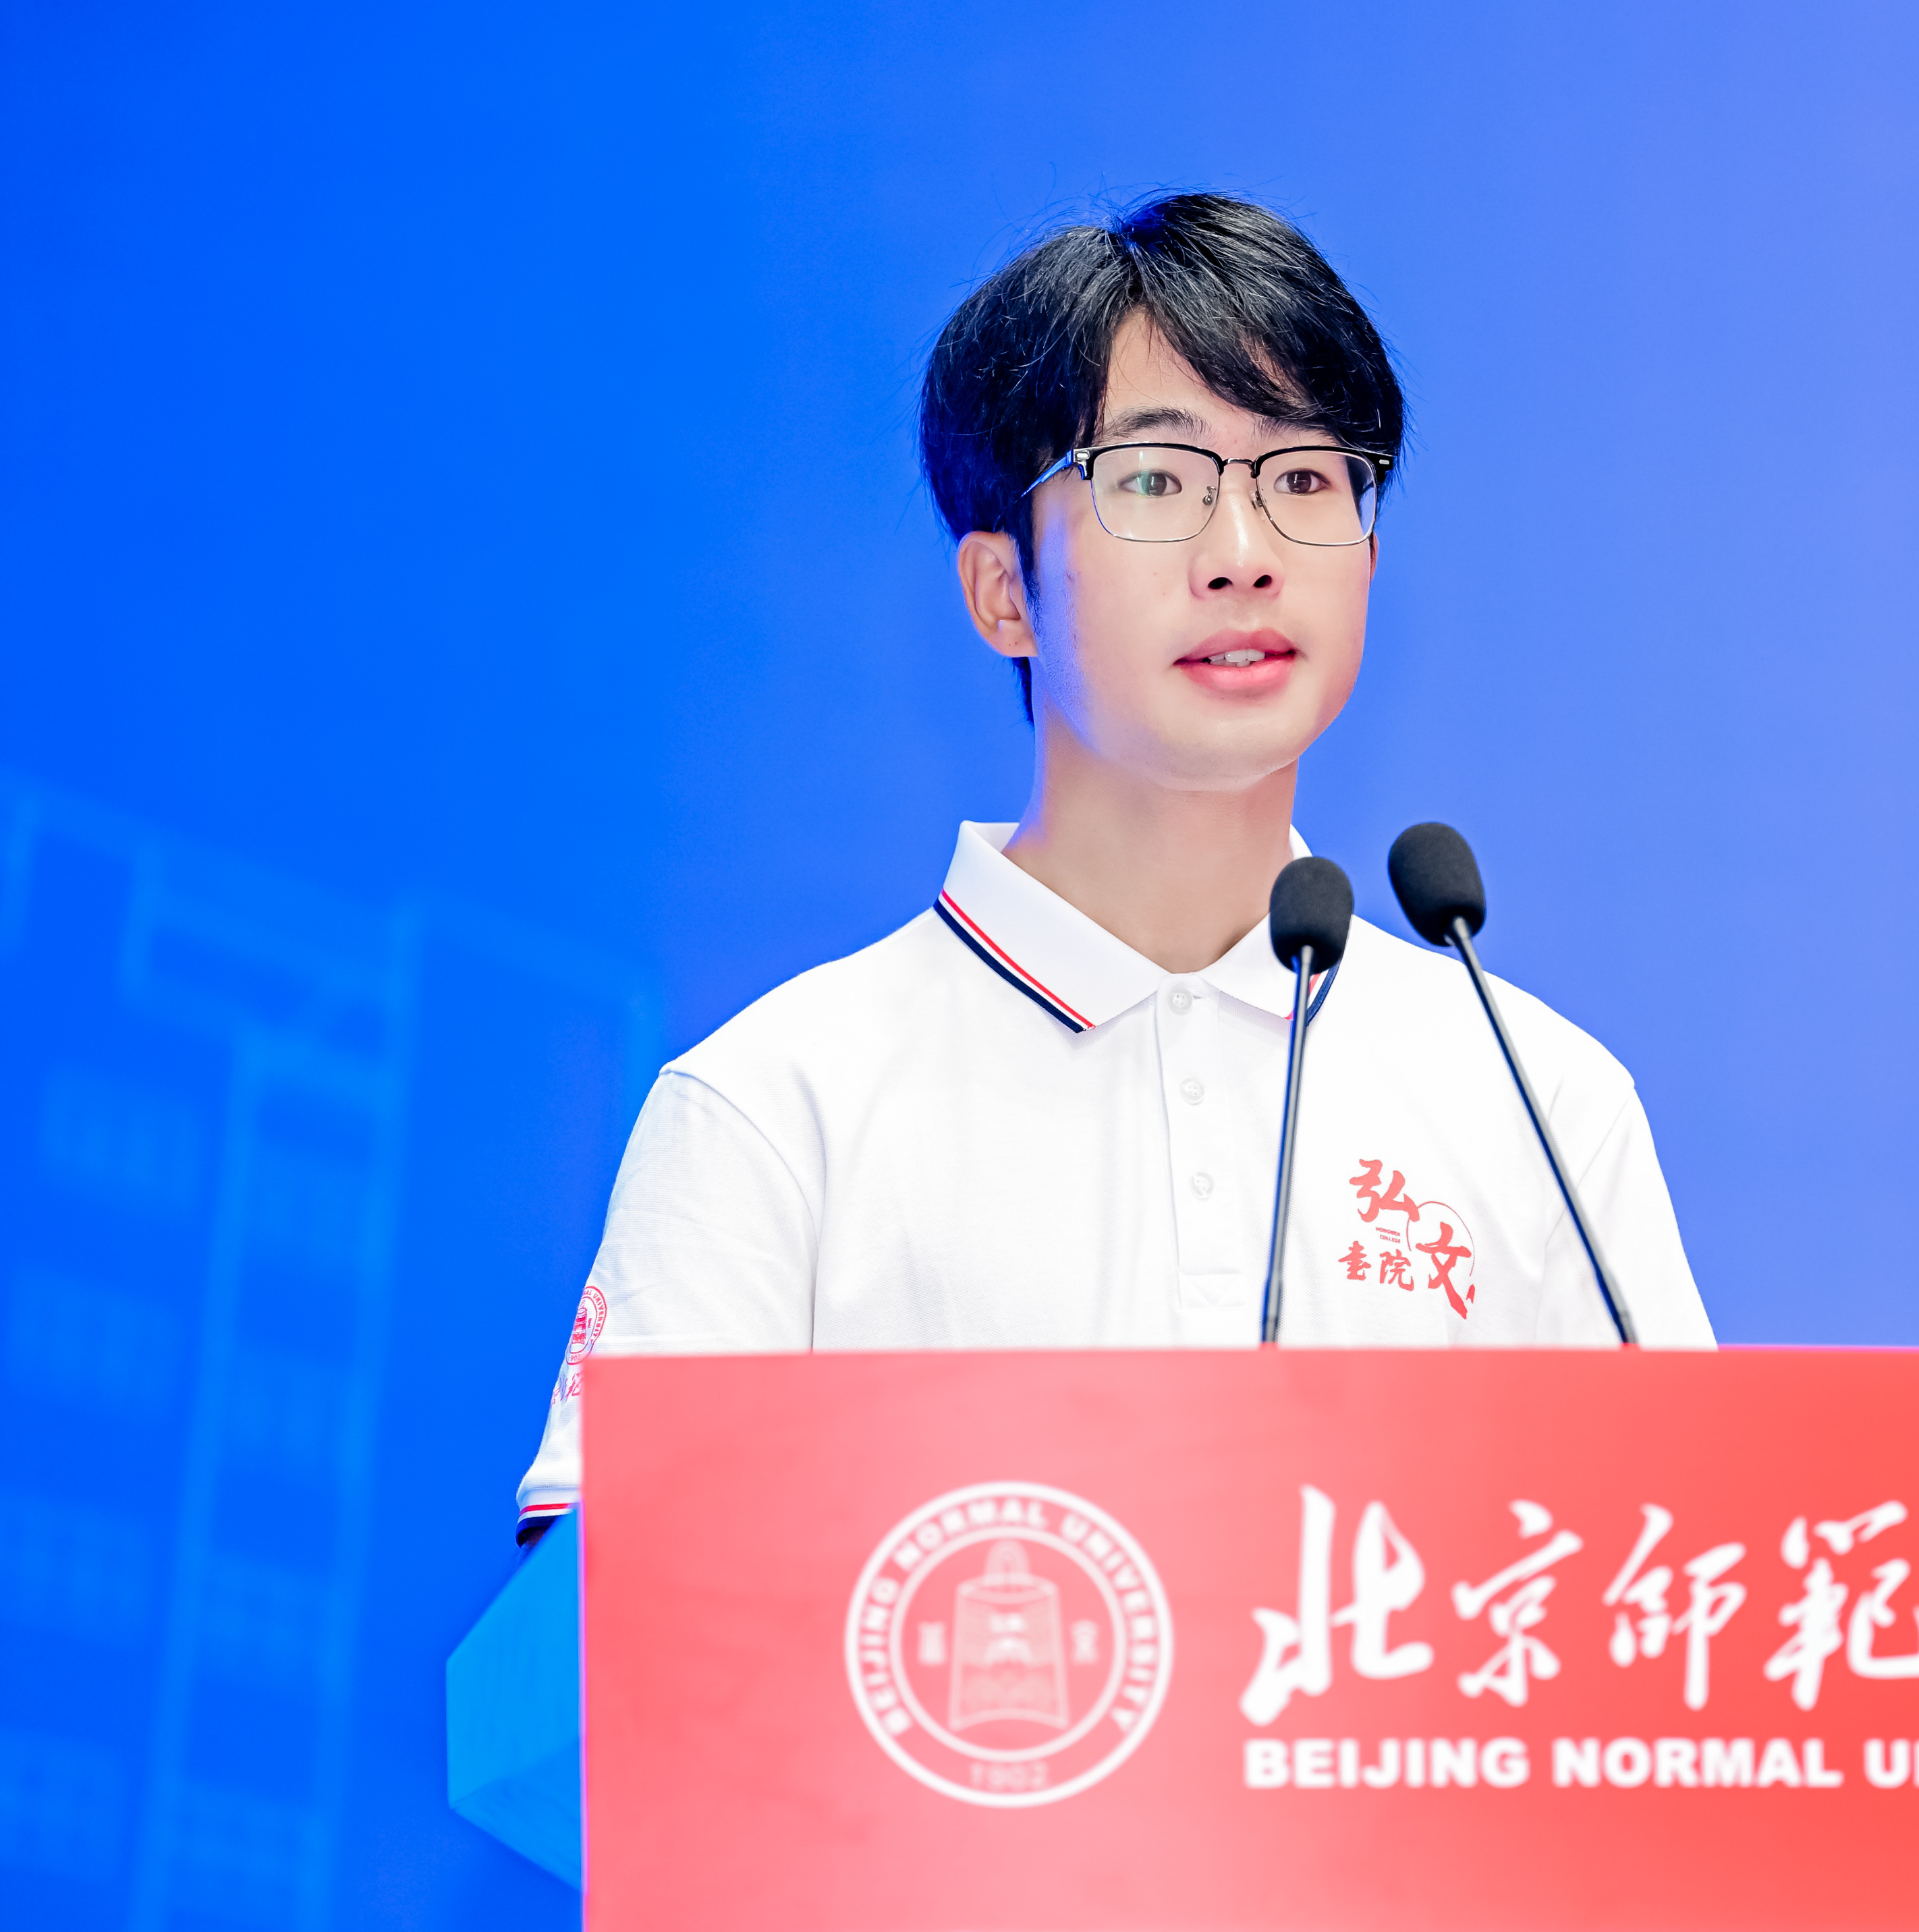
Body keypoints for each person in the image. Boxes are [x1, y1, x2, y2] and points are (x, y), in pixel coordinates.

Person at [513, 193, 1713, 1541]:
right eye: (1154, 482)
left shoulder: (1537, 1099)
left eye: (1303, 479)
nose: (1243, 557)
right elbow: (605, 1628)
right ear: (1002, 592)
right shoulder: (779, 1109)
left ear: (1370, 557)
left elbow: (1676, 1593)